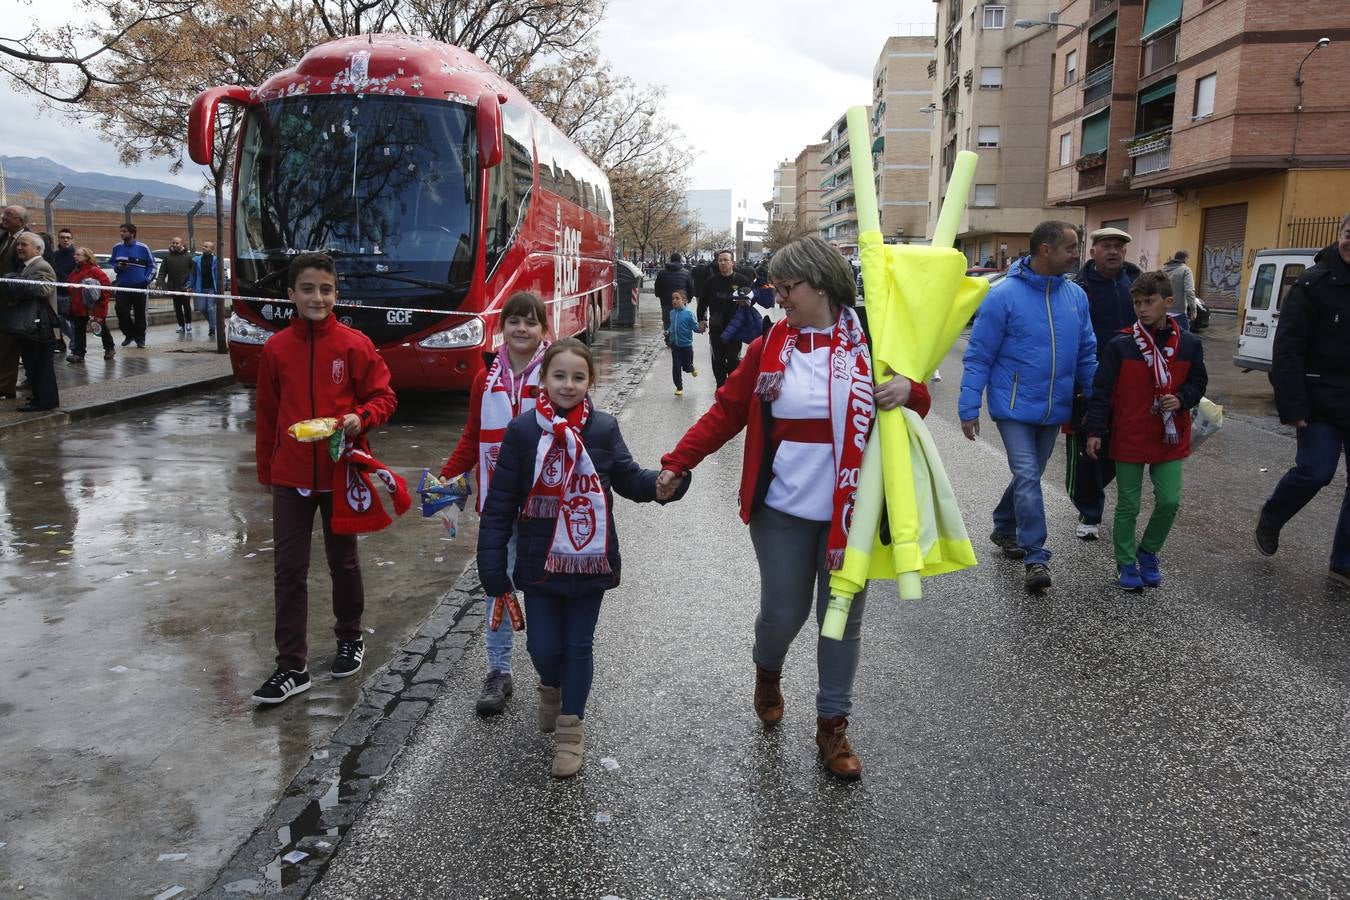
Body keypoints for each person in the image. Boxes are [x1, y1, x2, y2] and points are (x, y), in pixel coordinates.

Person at [657, 236, 931, 780]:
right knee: (784, 613)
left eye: (788, 288)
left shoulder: (873, 347)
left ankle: (832, 726)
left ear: (823, 284)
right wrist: (678, 461)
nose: (778, 297)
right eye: (776, 287)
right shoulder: (769, 347)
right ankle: (769, 669)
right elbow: (727, 412)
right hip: (780, 507)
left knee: (842, 620)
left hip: (851, 509)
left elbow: (915, 400)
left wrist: (908, 388)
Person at [477, 338, 685, 777]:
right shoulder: (523, 432)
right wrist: (493, 567)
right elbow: (499, 506)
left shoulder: (603, 429)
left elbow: (628, 478)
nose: (568, 385)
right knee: (542, 646)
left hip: (590, 560)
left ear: (590, 381)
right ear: (543, 379)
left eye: (578, 377)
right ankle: (550, 686)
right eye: (559, 376)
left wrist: (663, 485)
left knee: (577, 645)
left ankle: (571, 730)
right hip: (538, 561)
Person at [251, 252, 398, 705]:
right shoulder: (275, 349)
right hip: (290, 477)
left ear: (337, 294)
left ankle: (350, 637)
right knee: (288, 570)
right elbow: (268, 416)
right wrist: (268, 471)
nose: (318, 298)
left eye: (327, 290)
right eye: (309, 290)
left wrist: (361, 417)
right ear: (290, 294)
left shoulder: (354, 345)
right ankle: (291, 666)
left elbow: (384, 396)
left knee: (344, 562)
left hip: (341, 473)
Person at [959, 220, 1097, 594]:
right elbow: (979, 355)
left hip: (1054, 408)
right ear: (1046, 250)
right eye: (1071, 247)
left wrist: (1099, 398)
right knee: (1027, 474)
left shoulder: (1076, 297)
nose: (1076, 254)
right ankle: (1036, 555)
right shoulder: (1002, 296)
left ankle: (1004, 524)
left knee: (1029, 475)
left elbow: (1087, 352)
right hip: (1013, 406)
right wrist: (969, 405)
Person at [439, 291, 551, 716]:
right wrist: (451, 476)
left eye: (531, 322)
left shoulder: (555, 371)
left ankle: (548, 667)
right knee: (497, 586)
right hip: (497, 506)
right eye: (513, 321)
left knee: (542, 588)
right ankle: (499, 670)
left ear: (544, 329)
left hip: (544, 506)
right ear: (501, 326)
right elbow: (472, 434)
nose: (521, 329)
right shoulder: (485, 377)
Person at [1085, 271, 1207, 591]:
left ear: (1168, 303)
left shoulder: (1190, 345)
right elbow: (1102, 391)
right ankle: (1126, 563)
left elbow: (1198, 383)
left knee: (1169, 500)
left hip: (1169, 434)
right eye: (1137, 302)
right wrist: (1096, 430)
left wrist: (1181, 399)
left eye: (1149, 302)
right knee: (1129, 504)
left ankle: (1149, 550)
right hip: (1130, 434)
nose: (1142, 308)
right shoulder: (1121, 345)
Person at [1256, 212, 1350, 585]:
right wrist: (1292, 405)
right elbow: (1288, 349)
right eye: (1348, 234)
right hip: (1320, 399)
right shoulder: (1313, 284)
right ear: (1340, 235)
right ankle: (1273, 515)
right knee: (1316, 471)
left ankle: (1343, 561)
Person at [1065, 226, 1140, 542]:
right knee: (1088, 452)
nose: (1113, 252)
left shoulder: (1135, 282)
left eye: (1119, 247)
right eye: (1106, 246)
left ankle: (1092, 497)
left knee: (1117, 448)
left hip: (1130, 380)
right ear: (1092, 251)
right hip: (1088, 381)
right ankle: (1090, 511)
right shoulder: (1078, 289)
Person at [3, 232, 60, 411]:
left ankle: (45, 402)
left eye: (24, 245)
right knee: (32, 364)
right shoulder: (26, 266)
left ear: (37, 249)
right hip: (31, 326)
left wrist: (16, 283)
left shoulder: (41, 266)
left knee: (40, 366)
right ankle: (39, 398)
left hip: (39, 326)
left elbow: (43, 289)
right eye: (18, 244)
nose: (19, 248)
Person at [696, 249, 752, 386]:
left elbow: (751, 300)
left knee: (733, 358)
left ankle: (732, 384)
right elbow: (703, 301)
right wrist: (701, 319)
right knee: (718, 360)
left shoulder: (741, 280)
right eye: (720, 260)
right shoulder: (712, 281)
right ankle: (720, 386)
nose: (722, 263)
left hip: (735, 328)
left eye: (725, 260)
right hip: (717, 327)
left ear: (732, 262)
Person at [66, 246, 116, 362]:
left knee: (100, 327)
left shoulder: (94, 270)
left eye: (78, 255)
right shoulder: (75, 271)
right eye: (75, 254)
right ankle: (79, 354)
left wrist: (96, 297)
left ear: (86, 257)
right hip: (79, 306)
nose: (75, 257)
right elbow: (69, 283)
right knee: (79, 330)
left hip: (94, 306)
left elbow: (106, 286)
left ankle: (109, 348)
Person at [110, 223, 155, 348]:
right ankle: (129, 334)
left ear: (132, 233)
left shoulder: (143, 247)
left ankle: (140, 338)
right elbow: (112, 263)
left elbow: (152, 266)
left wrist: (145, 280)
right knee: (121, 311)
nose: (121, 234)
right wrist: (118, 267)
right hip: (123, 286)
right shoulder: (117, 247)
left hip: (139, 287)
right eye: (121, 231)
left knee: (140, 313)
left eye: (124, 231)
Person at [0, 206, 29, 399]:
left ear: (21, 221)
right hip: (2, 302)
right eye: (4, 214)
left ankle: (5, 388)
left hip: (14, 304)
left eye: (9, 215)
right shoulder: (4, 237)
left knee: (9, 348)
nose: (4, 217)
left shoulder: (29, 241)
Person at [667, 289, 703, 395]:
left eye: (677, 298)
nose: (674, 301)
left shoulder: (688, 314)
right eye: (673, 299)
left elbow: (694, 327)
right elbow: (671, 326)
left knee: (686, 367)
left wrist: (700, 329)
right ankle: (679, 387)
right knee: (676, 367)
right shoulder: (672, 313)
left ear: (684, 300)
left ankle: (691, 368)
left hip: (686, 346)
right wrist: (668, 331)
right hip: (675, 346)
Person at [156, 236, 194, 334]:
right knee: (177, 307)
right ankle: (181, 325)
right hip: (173, 286)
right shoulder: (168, 257)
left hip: (185, 286)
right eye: (173, 243)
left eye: (177, 243)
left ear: (181, 244)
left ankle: (188, 323)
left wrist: (191, 284)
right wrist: (160, 281)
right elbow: (162, 271)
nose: (175, 245)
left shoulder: (188, 256)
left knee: (186, 305)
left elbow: (193, 271)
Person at [653, 252, 695, 340]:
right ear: (680, 260)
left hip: (665, 301)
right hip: (681, 300)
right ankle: (678, 338)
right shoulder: (686, 272)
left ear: (670, 260)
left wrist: (658, 295)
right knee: (680, 319)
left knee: (667, 320)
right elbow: (690, 287)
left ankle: (668, 339)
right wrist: (689, 298)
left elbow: (657, 286)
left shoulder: (662, 272)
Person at [51, 229, 77, 356]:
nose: (65, 240)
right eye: (62, 237)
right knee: (58, 321)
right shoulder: (54, 255)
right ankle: (62, 342)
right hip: (57, 293)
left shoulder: (76, 255)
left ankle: (75, 346)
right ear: (58, 239)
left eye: (68, 237)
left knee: (73, 321)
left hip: (71, 294)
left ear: (72, 239)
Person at [190, 241, 221, 338]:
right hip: (200, 287)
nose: (203, 248)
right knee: (202, 308)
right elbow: (193, 275)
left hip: (212, 288)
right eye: (203, 246)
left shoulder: (216, 260)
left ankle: (212, 328)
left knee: (211, 308)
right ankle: (214, 322)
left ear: (211, 249)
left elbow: (220, 275)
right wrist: (190, 285)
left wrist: (221, 287)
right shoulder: (196, 260)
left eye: (206, 246)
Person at [1161, 249, 1199, 326]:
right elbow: (1189, 291)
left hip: (1163, 313)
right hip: (1178, 314)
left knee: (1165, 337)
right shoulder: (1185, 270)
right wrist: (1193, 310)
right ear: (1185, 259)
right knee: (1183, 337)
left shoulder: (1162, 271)